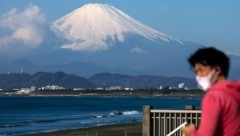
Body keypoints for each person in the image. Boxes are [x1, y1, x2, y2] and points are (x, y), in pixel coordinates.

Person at [181, 47, 240, 136]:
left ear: (217, 70)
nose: (198, 76)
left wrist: (191, 133)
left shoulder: (214, 97)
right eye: (196, 72)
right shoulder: (235, 91)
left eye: (201, 70)